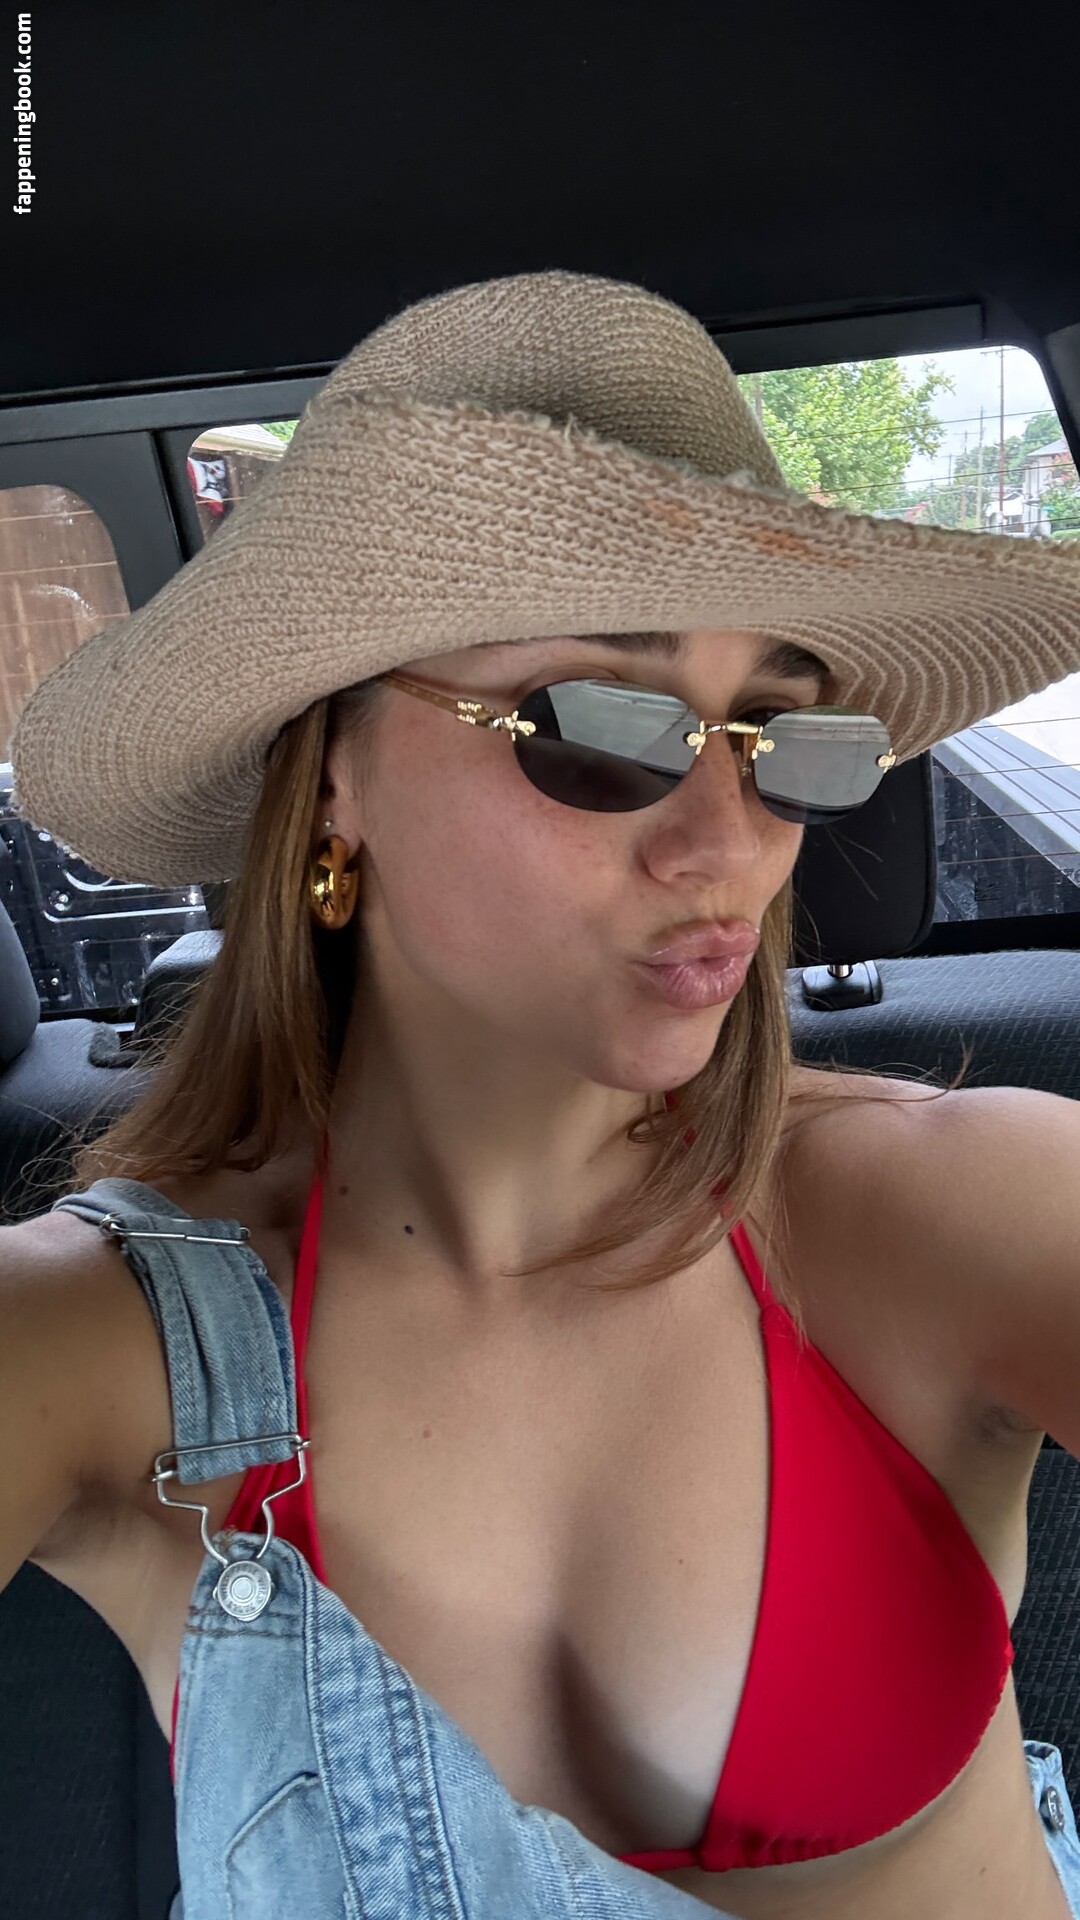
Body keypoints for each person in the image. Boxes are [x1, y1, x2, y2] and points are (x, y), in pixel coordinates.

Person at [7, 269, 1080, 1919]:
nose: (728, 843)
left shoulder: (941, 1209)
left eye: (781, 737)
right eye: (602, 726)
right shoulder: (103, 1344)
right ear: (335, 773)